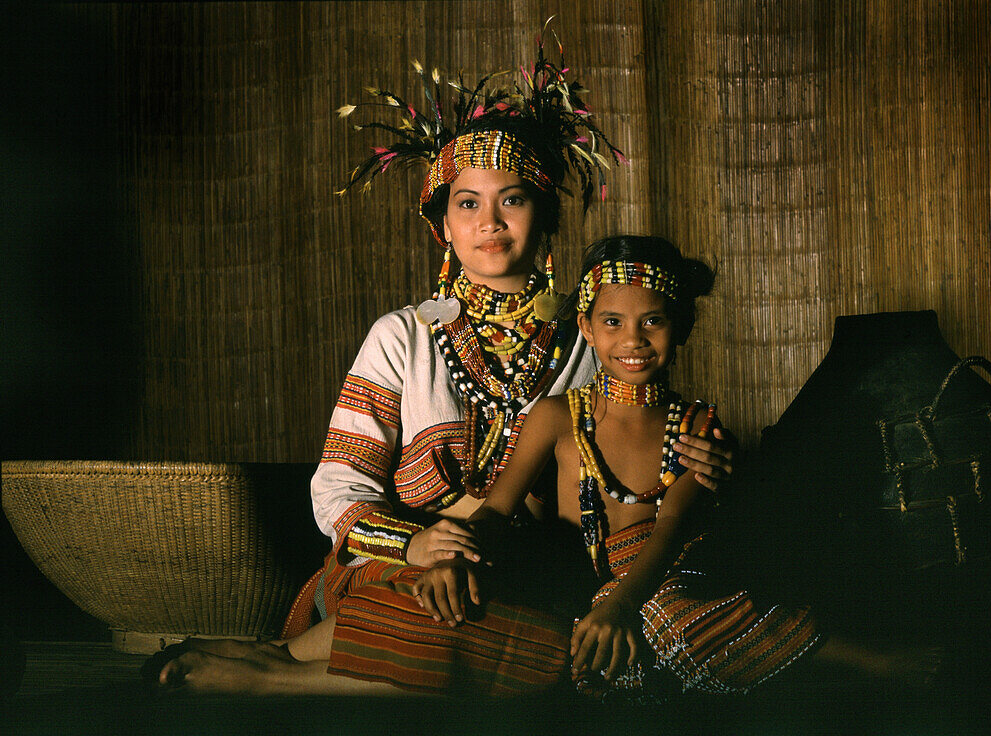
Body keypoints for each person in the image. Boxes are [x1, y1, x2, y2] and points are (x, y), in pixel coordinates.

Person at [147, 26, 733, 696]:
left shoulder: (594, 334)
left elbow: (639, 433)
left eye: (512, 199)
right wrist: (417, 547)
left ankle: (275, 665)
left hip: (530, 570)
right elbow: (338, 487)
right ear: (443, 225)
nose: (491, 222)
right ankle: (276, 664)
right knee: (437, 601)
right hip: (404, 561)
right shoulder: (404, 335)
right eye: (467, 203)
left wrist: (707, 458)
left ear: (543, 216)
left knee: (535, 642)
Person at [414, 235, 944, 698]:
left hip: (672, 576)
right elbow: (497, 508)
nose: (633, 340)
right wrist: (454, 556)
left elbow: (668, 531)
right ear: (586, 326)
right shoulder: (556, 417)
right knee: (584, 645)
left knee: (665, 617)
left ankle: (867, 664)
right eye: (613, 322)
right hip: (586, 583)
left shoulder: (697, 426)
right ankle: (775, 667)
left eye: (654, 321)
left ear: (682, 327)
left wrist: (620, 604)